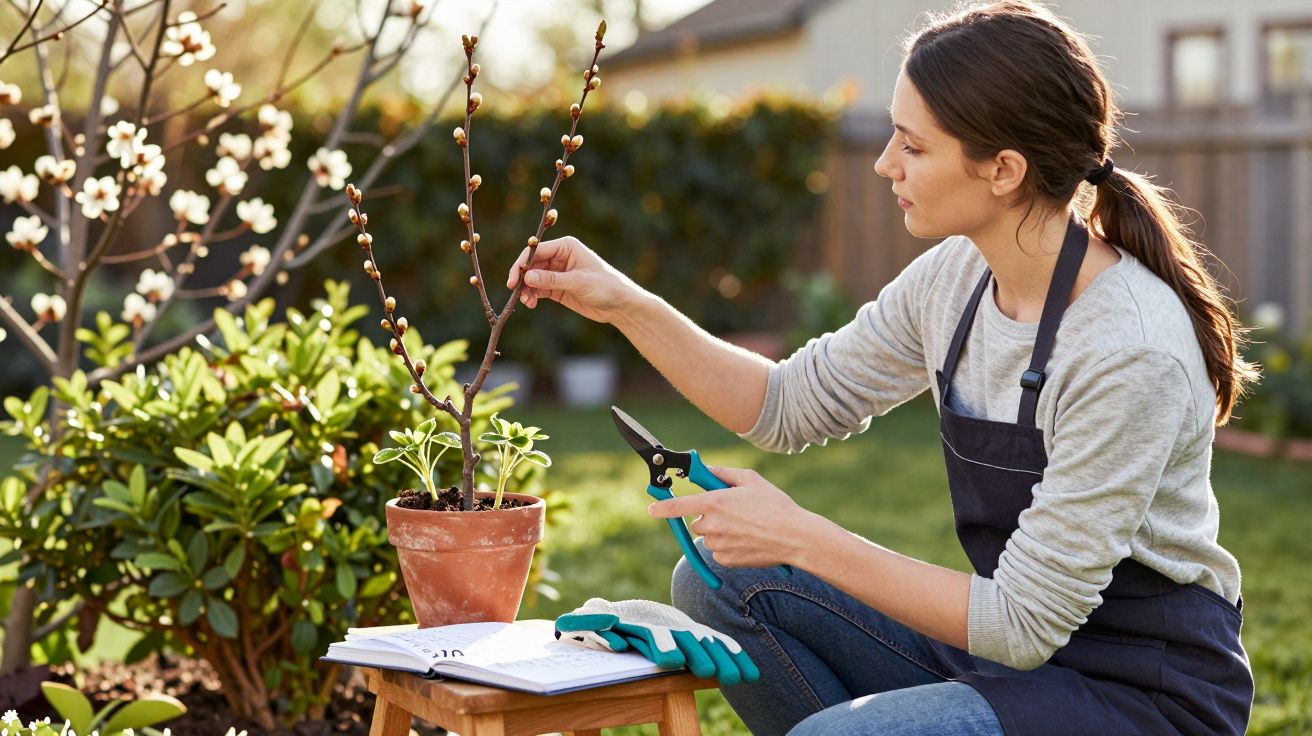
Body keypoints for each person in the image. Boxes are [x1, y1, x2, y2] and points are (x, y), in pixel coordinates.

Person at [507, 1, 1257, 733]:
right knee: (725, 584)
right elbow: (783, 404)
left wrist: (799, 534)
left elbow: (1024, 622)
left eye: (913, 145)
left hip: (1140, 695)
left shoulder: (1127, 349)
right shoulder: (955, 280)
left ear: (1002, 169)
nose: (882, 162)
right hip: (1011, 664)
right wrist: (624, 304)